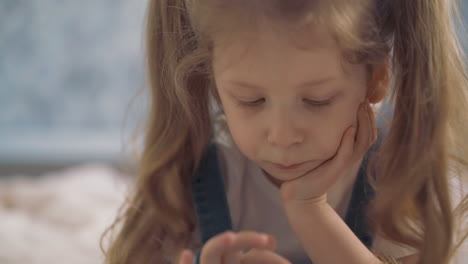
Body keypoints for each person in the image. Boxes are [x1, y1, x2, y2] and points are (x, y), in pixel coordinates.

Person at [101, 0, 468, 263]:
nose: (282, 136)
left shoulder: (401, 181)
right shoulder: (190, 184)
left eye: (316, 100)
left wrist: (310, 211)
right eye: (251, 100)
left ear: (375, 79)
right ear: (212, 81)